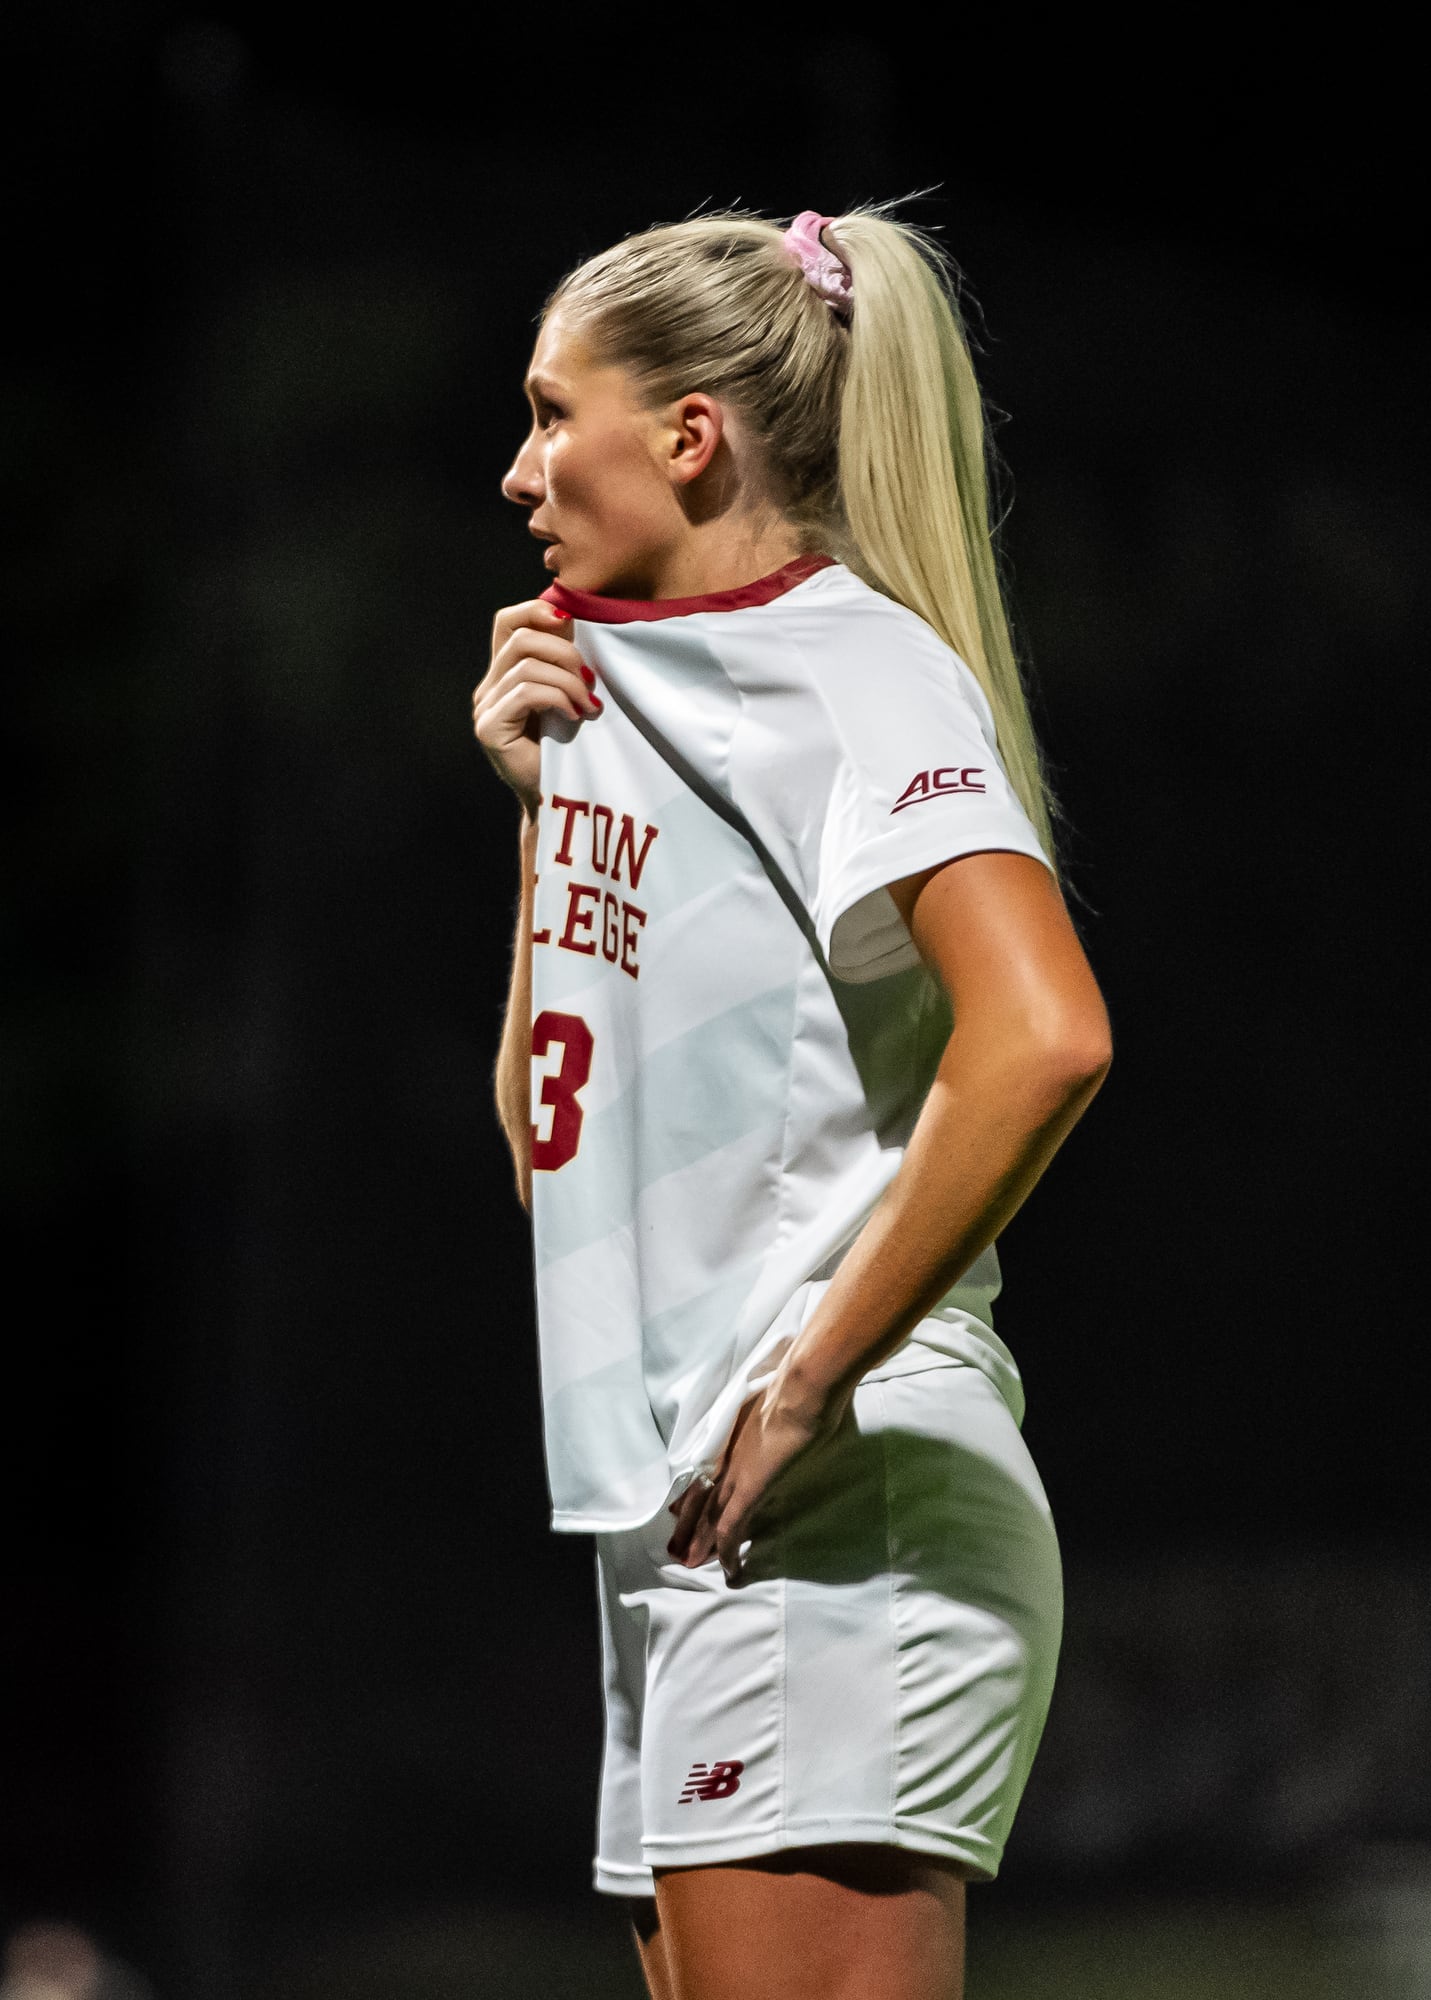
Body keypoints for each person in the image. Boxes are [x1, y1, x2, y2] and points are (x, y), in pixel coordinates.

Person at [469, 209, 1112, 2000]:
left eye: (548, 412)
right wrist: (534, 811)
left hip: (845, 1502)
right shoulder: (626, 695)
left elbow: (1046, 1033)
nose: (519, 470)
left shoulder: (855, 672)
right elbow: (547, 1147)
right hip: (687, 1517)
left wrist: (812, 1371)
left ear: (688, 435)